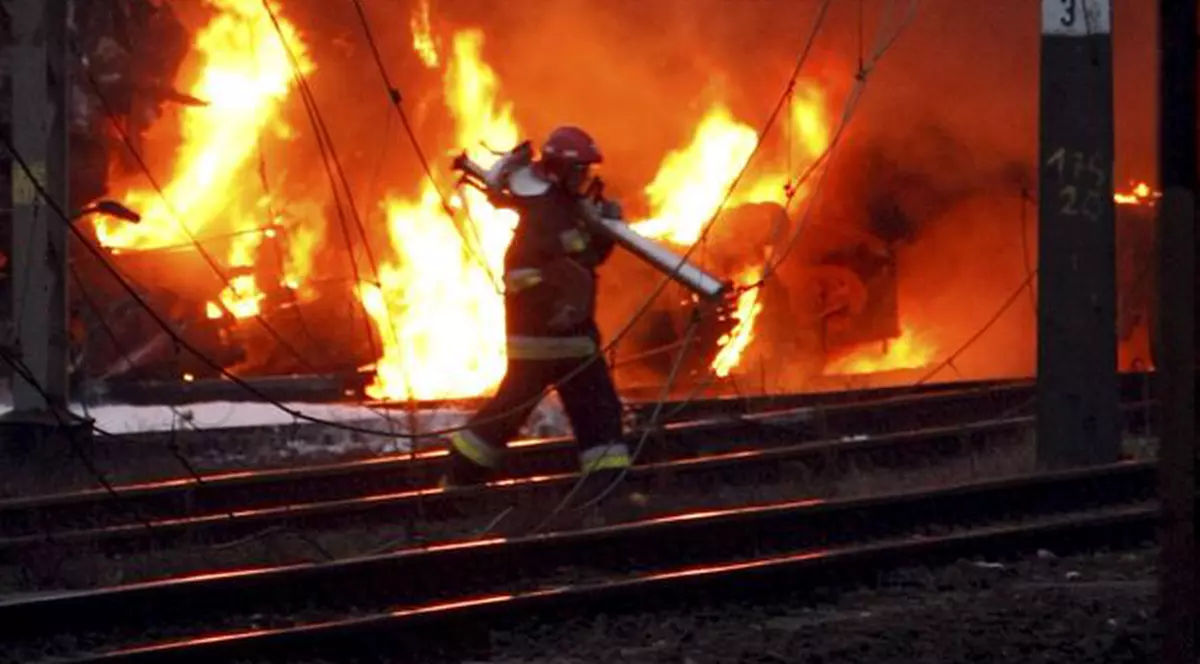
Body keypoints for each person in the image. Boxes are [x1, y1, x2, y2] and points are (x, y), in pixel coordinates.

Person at [442, 126, 632, 507]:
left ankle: (460, 476)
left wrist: (606, 234)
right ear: (561, 170)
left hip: (550, 342)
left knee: (510, 412)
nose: (585, 179)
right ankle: (607, 489)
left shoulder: (561, 207)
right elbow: (522, 270)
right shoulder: (549, 214)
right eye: (580, 171)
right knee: (598, 412)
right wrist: (555, 301)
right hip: (559, 340)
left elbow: (582, 258)